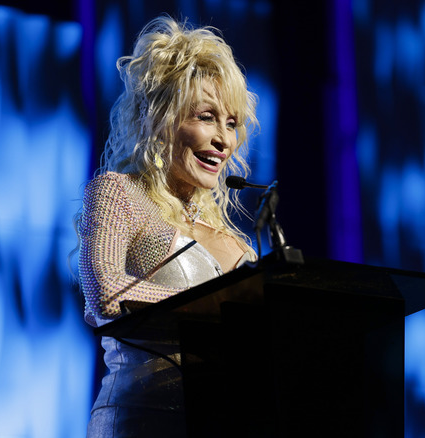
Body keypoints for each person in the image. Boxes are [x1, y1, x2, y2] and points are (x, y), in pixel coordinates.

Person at [76, 16, 258, 437]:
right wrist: (219, 309)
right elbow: (104, 295)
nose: (224, 140)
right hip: (142, 420)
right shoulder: (120, 194)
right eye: (207, 117)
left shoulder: (236, 242)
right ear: (161, 119)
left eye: (231, 123)